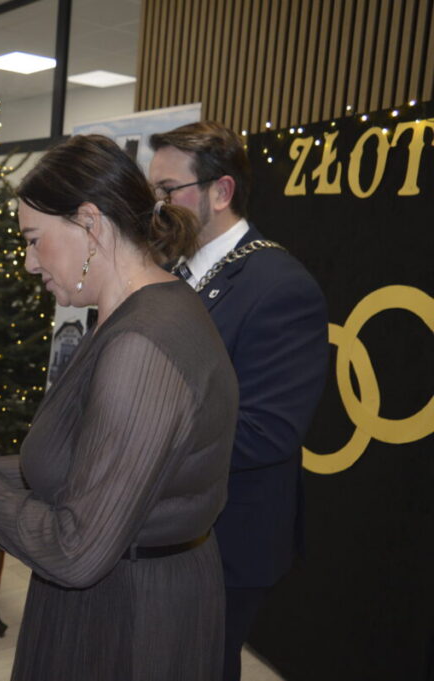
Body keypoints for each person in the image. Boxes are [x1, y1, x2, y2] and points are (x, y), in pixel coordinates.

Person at [0, 134, 239, 680]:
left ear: (90, 223)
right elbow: (90, 462)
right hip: (130, 596)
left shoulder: (142, 346)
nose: (31, 263)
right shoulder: (140, 312)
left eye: (36, 241)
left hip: (124, 621)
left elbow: (76, 551)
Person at [148, 121, 329, 680]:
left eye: (168, 191)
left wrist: (143, 440)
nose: (155, 207)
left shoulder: (280, 284)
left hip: (230, 540)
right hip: (173, 526)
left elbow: (268, 432)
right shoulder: (176, 268)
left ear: (219, 193)